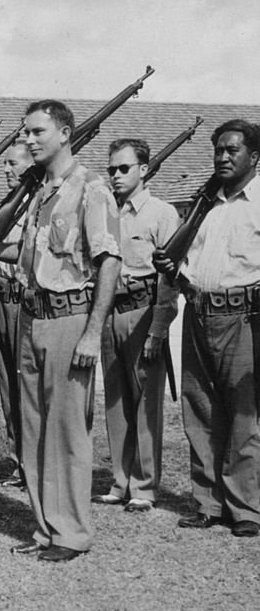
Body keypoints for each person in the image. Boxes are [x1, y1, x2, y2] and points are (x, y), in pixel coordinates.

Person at [0, 100, 121, 562]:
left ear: (64, 133)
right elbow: (34, 254)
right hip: (32, 315)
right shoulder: (39, 192)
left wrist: (93, 332)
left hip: (69, 317)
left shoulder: (92, 188)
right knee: (33, 428)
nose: (29, 140)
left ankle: (72, 533)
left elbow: (109, 262)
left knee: (67, 429)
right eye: (26, 132)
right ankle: (46, 528)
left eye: (38, 132)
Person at [155, 119, 260, 537]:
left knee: (243, 413)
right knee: (199, 412)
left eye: (232, 150)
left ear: (254, 156)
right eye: (218, 149)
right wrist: (173, 268)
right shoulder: (203, 204)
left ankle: (246, 508)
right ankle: (207, 503)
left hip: (244, 317)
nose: (222, 156)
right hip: (198, 309)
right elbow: (187, 265)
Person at [93, 139, 179, 513]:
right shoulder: (106, 212)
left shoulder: (161, 213)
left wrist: (159, 327)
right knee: (115, 399)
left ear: (144, 169)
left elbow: (170, 278)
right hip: (110, 311)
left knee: (146, 401)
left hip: (144, 310)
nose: (115, 175)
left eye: (123, 168)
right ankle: (120, 481)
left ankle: (144, 486)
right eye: (111, 169)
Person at [0, 141, 35, 488]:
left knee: (28, 386)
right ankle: (19, 461)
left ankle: (35, 463)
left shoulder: (38, 205)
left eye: (13, 163)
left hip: (24, 301)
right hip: (1, 299)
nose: (6, 169)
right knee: (7, 386)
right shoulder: (6, 206)